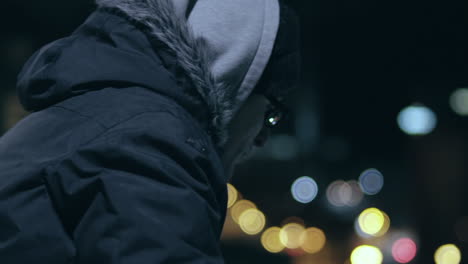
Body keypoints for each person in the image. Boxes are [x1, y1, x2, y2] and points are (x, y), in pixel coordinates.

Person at [0, 0, 300, 263]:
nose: (261, 138)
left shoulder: (87, 117)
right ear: (236, 76)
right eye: (271, 114)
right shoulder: (150, 141)